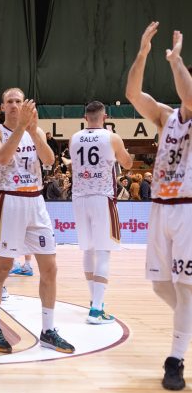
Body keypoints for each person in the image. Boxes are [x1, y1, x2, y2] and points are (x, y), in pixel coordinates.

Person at [125, 22, 192, 390]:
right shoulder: (167, 117)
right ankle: (187, 325)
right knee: (161, 285)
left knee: (185, 288)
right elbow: (133, 93)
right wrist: (143, 53)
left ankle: (175, 358)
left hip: (187, 209)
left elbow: (189, 95)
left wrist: (175, 60)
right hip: (160, 207)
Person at [0, 87, 74, 354]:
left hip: (36, 201)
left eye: (18, 101)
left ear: (25, 105)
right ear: (2, 107)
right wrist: (22, 127)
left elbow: (49, 159)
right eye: (9, 101)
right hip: (9, 201)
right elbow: (2, 157)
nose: (14, 105)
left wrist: (32, 131)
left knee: (50, 268)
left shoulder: (36, 131)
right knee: (2, 268)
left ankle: (48, 330)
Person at [69, 100, 133, 325]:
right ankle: (96, 309)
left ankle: (94, 300)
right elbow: (127, 164)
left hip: (79, 197)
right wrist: (124, 154)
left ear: (85, 117)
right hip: (102, 197)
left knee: (88, 250)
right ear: (105, 117)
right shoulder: (111, 137)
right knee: (103, 252)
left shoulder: (74, 138)